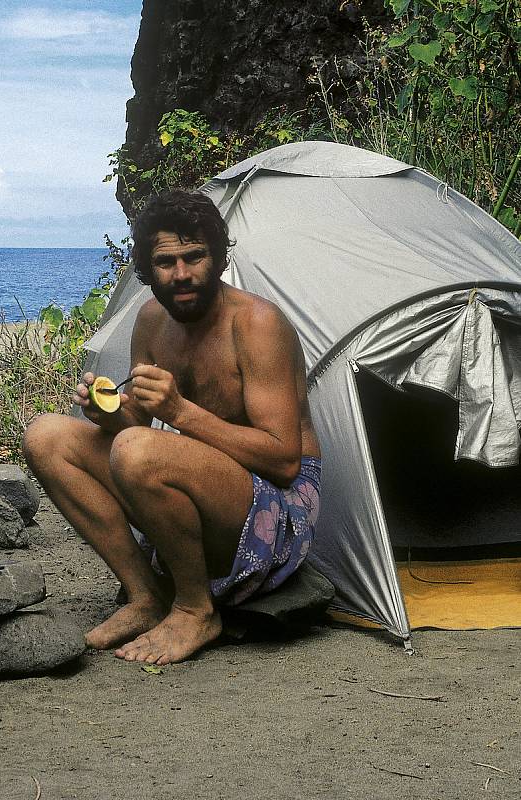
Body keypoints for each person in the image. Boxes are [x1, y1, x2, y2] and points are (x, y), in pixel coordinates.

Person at [23, 190, 321, 665]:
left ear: (219, 258)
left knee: (138, 451)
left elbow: (284, 460)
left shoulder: (257, 324)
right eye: (165, 262)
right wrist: (110, 414)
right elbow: (135, 425)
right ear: (146, 268)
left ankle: (196, 609)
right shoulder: (152, 319)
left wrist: (179, 412)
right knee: (46, 435)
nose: (181, 274)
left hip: (278, 512)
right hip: (206, 481)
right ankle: (146, 596)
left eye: (194, 256)